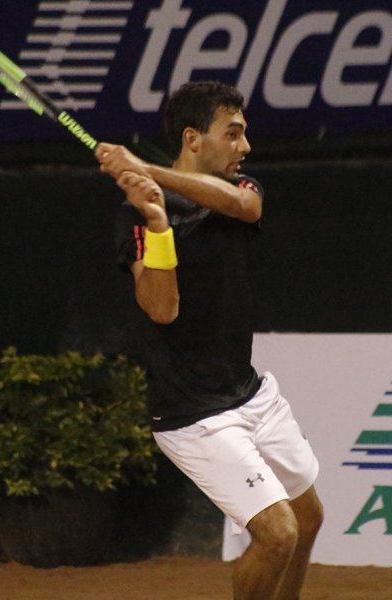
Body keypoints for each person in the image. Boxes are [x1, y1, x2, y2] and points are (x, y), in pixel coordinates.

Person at [96, 80, 323, 600]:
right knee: (278, 535)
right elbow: (162, 308)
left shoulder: (240, 189)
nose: (246, 146)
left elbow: (245, 208)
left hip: (251, 394)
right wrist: (158, 223)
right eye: (233, 133)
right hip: (193, 415)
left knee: (308, 519)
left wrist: (148, 169)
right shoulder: (137, 216)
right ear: (193, 139)